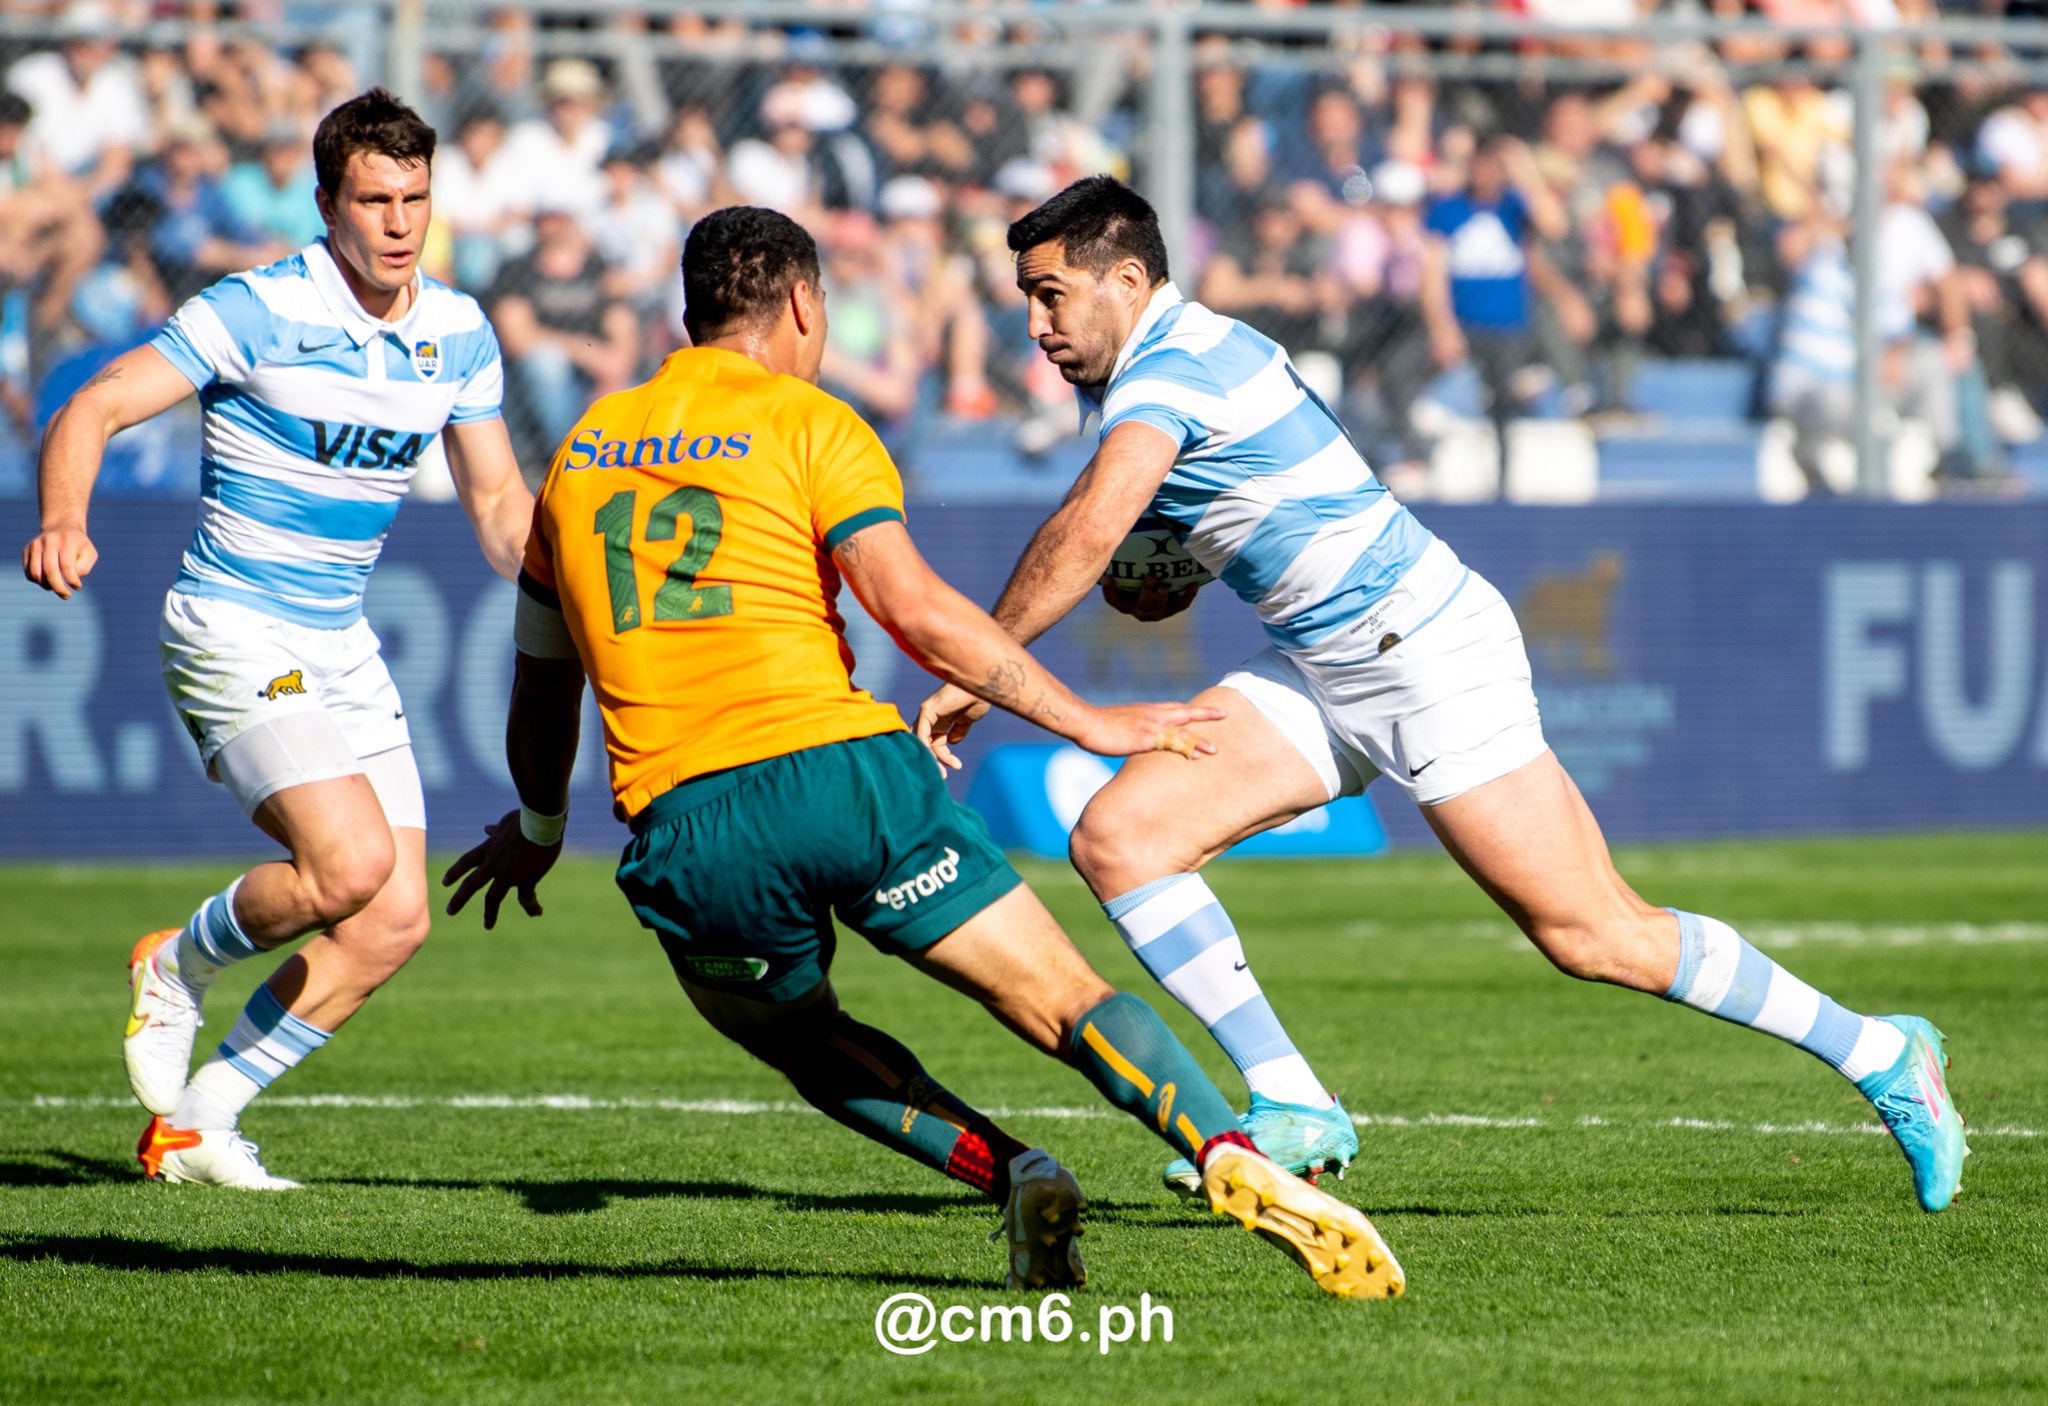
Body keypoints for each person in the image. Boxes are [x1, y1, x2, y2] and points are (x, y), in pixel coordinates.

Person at [915, 176, 1969, 1216]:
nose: (1036, 323)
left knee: (1593, 933)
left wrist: (978, 665)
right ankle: (1290, 1096)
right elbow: (1175, 542)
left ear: (1128, 279)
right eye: (1027, 298)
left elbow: (1089, 530)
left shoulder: (1172, 367)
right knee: (1121, 836)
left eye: (1050, 294)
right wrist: (1171, 566)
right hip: (1319, 662)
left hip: (1421, 654)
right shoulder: (1168, 361)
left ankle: (1880, 1050)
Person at [441, 204, 1402, 1300]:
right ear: (805, 304)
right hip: (842, 776)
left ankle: (1014, 1170)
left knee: (806, 1041)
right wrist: (1086, 720)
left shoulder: (578, 457)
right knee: (1062, 1001)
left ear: (686, 314)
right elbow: (913, 609)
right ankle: (1227, 1151)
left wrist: (537, 828)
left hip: (687, 825)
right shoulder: (812, 423)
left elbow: (541, 682)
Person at [19, 89, 534, 1189]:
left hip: (339, 642)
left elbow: (497, 506)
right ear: (326, 204)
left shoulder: (457, 332)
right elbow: (94, 405)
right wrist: (64, 516)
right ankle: (177, 958)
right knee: (348, 864)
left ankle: (201, 1122)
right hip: (234, 624)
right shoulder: (257, 307)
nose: (400, 223)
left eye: (417, 198)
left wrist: (570, 577)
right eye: (375, 199)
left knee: (392, 917)